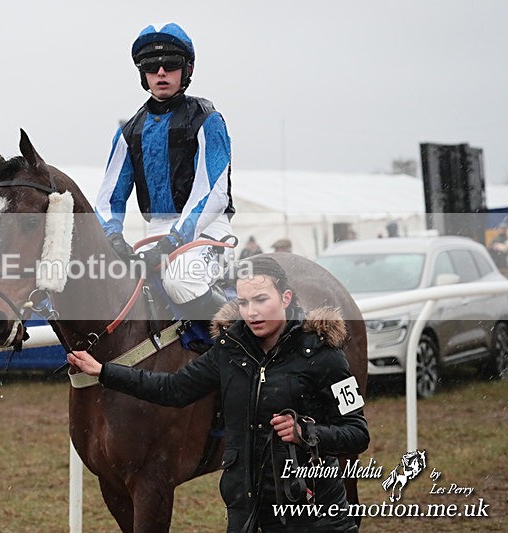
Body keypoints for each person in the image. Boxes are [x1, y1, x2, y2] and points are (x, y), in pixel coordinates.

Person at [67, 255, 369, 532]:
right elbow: (172, 389)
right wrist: (104, 371)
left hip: (311, 513)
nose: (252, 313)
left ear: (286, 297)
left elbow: (357, 434)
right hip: (246, 513)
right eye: (244, 303)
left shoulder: (324, 355)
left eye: (262, 300)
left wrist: (306, 432)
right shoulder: (228, 350)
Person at [94, 22, 234, 326]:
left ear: (187, 69)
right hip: (156, 229)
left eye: (170, 65)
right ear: (142, 73)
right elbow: (107, 199)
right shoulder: (128, 132)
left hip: (207, 227)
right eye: (151, 66)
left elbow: (213, 193)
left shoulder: (208, 120)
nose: (160, 72)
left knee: (181, 282)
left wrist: (173, 241)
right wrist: (114, 238)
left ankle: (241, 350)